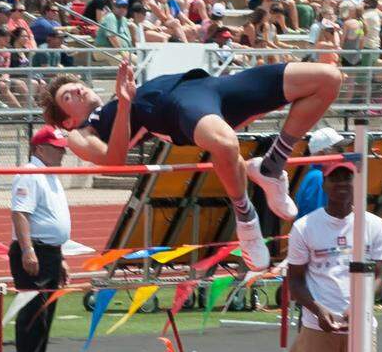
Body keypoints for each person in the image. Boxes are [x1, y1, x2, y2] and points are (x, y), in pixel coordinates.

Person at [40, 60, 343, 270]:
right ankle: (247, 222)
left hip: (209, 86)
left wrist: (123, 100)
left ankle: (271, 167)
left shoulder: (115, 101)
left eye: (75, 85)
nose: (77, 89)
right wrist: (125, 104)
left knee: (327, 79)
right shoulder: (79, 134)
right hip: (177, 109)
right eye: (68, 97)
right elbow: (114, 159)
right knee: (226, 145)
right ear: (67, 120)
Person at [286, 155, 382, 352]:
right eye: (335, 178)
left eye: (347, 177)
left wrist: (361, 305)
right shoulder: (305, 227)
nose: (342, 184)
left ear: (356, 182)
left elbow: (380, 275)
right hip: (317, 328)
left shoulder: (374, 225)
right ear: (325, 183)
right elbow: (295, 281)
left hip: (360, 329)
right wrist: (317, 309)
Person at [9, 126, 71, 352]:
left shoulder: (48, 175)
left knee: (45, 314)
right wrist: (28, 250)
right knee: (33, 314)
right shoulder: (30, 174)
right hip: (36, 250)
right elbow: (20, 213)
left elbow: (50, 219)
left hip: (50, 252)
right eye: (57, 148)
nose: (62, 153)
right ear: (40, 149)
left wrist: (61, 256)